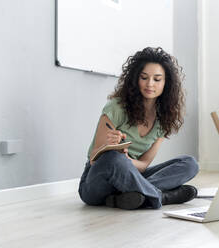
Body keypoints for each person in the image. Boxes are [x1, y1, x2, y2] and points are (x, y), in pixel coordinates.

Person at [78, 47, 199, 210]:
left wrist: (127, 161)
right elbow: (94, 159)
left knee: (190, 163)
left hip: (133, 175)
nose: (150, 84)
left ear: (166, 83)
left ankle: (129, 197)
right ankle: (161, 196)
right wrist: (108, 148)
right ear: (136, 79)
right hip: (96, 183)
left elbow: (144, 164)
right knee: (114, 158)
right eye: (144, 78)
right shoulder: (117, 107)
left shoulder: (164, 118)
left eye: (157, 79)